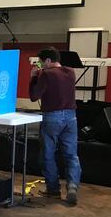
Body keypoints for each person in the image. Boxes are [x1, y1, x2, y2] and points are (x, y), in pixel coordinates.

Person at [29, 47, 81, 206]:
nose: (41, 66)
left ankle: (53, 189)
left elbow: (33, 96)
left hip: (52, 117)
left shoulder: (46, 74)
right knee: (71, 154)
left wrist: (33, 78)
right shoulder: (71, 72)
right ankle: (72, 186)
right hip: (71, 117)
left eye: (41, 62)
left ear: (48, 61)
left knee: (48, 153)